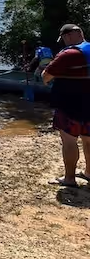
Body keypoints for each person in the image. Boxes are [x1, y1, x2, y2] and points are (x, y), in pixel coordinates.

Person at [42, 24, 90, 187]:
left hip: (70, 105)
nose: (63, 42)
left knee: (69, 141)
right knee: (88, 140)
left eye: (63, 38)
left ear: (68, 36)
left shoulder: (68, 54)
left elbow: (46, 77)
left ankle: (69, 178)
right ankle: (89, 172)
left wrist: (45, 66)